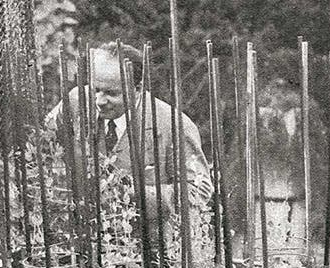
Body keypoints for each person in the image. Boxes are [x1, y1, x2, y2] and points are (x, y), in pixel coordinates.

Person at [46, 41, 213, 219]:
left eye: (111, 93)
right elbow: (44, 142)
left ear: (138, 89)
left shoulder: (173, 125)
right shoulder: (75, 101)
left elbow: (198, 191)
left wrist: (131, 194)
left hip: (146, 238)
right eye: (96, 89)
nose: (99, 101)